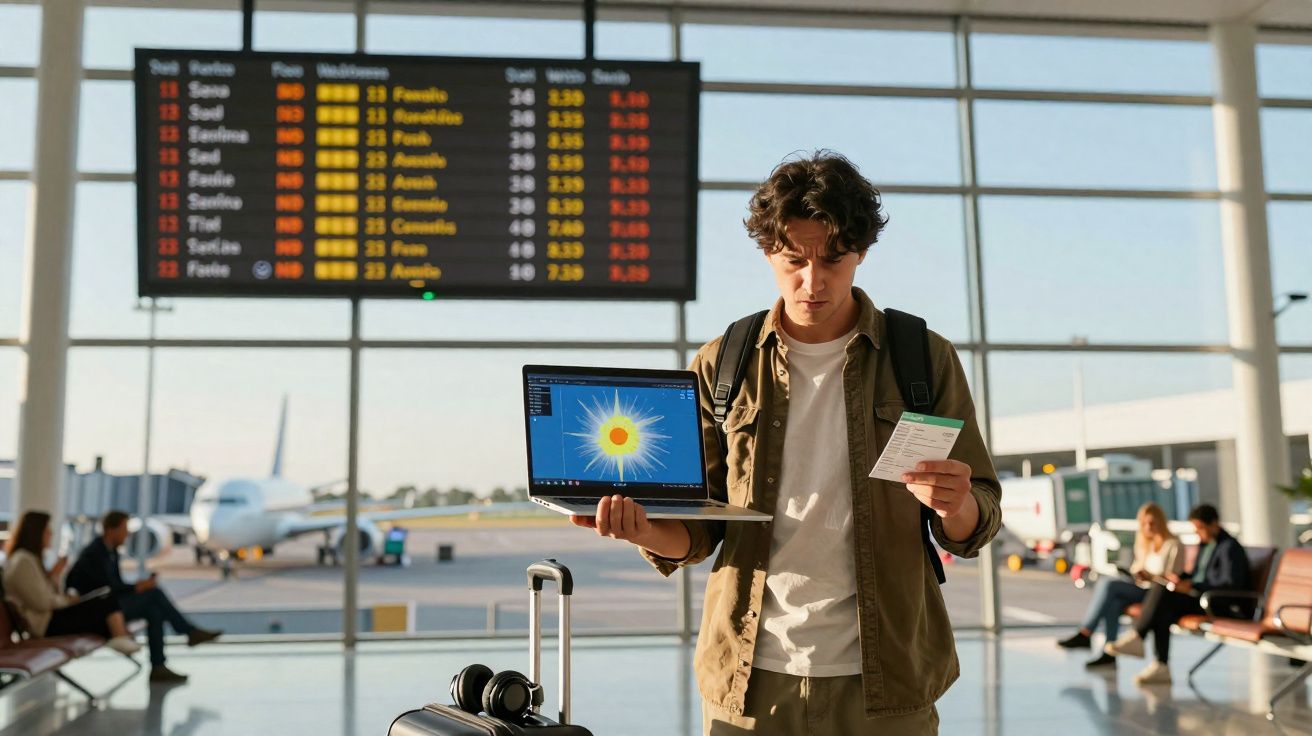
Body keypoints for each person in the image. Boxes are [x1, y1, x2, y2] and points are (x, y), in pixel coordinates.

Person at [569, 151, 1003, 734]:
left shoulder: (922, 357)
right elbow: (698, 533)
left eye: (834, 258)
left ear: (862, 252)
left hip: (887, 678)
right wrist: (642, 528)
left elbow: (978, 520)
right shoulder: (724, 362)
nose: (813, 280)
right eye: (794, 259)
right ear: (768, 252)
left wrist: (958, 504)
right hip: (748, 679)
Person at [65, 510, 222, 684]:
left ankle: (159, 666)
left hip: (110, 605)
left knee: (154, 611)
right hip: (101, 611)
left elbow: (112, 586)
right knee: (154, 594)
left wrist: (136, 587)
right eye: (124, 529)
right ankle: (188, 632)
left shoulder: (110, 552)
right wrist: (137, 587)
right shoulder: (94, 554)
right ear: (111, 530)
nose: (128, 534)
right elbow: (106, 589)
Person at [1104, 504, 1251, 685]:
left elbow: (1230, 585)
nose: (1198, 533)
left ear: (1214, 524)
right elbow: (1197, 574)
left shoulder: (1229, 548)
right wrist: (1180, 579)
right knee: (1163, 604)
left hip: (1215, 602)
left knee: (1161, 594)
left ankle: (1139, 637)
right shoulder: (1206, 545)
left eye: (1200, 528)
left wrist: (1194, 585)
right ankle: (1161, 666)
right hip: (1200, 596)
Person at [1057, 502, 1182, 668]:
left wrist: (1152, 576)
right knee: (1113, 603)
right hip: (1141, 586)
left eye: (1152, 522)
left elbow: (1173, 578)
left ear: (1161, 522)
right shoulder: (1146, 544)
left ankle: (1086, 633)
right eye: (1144, 523)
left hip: (1157, 593)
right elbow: (1137, 567)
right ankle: (1109, 654)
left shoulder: (1172, 544)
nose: (1148, 527)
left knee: (1108, 585)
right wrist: (1139, 573)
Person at [2, 510, 141, 655]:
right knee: (105, 598)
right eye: (47, 531)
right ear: (36, 533)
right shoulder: (23, 561)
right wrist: (67, 601)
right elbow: (43, 602)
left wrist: (55, 576)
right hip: (47, 625)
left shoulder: (28, 559)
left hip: (50, 620)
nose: (51, 535)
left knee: (105, 597)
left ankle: (120, 636)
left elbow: (44, 596)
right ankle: (120, 636)